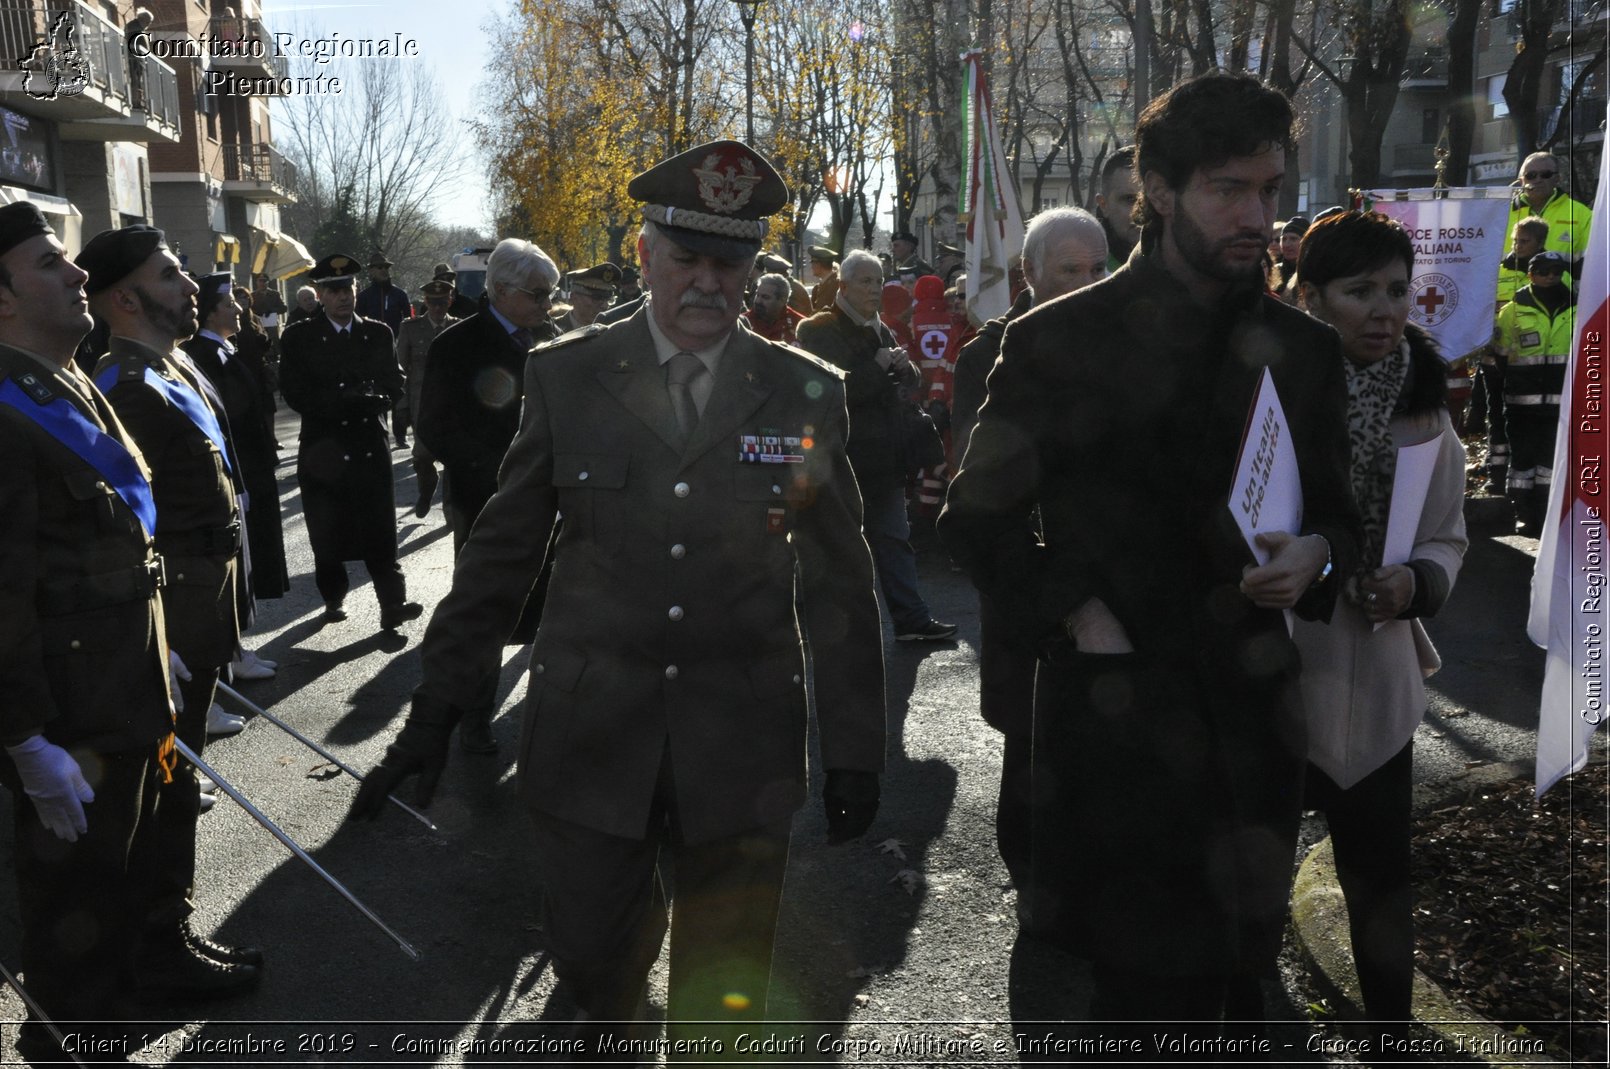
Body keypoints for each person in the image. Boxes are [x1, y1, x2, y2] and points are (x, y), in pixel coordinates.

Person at [348, 140, 887, 1057]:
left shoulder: (804, 391)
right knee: (595, 965)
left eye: (732, 262)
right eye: (688, 259)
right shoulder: (568, 376)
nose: (710, 284)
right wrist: (435, 708)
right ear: (645, 256)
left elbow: (841, 576)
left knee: (726, 1003)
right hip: (595, 734)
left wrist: (857, 748)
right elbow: (500, 558)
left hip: (741, 741)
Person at [940, 71, 1360, 1042]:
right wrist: (1074, 609)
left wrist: (1316, 556)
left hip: (1252, 727)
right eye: (1228, 189)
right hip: (1117, 733)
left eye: (1268, 189)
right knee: (1134, 1006)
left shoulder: (1298, 349)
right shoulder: (1056, 340)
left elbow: (1340, 520)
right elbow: (976, 519)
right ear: (1157, 191)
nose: (1256, 214)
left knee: (1235, 995)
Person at [0, 200, 175, 1066]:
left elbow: (111, 545)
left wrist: (155, 639)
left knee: (112, 910)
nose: (77, 274)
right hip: (68, 723)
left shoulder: (66, 380)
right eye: (47, 263)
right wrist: (23, 735)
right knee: (71, 936)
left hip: (123, 698)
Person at [1290, 209, 1468, 1044]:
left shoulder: (1427, 412)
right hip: (1278, 673)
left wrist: (1413, 580)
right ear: (1311, 296)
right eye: (1358, 291)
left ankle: (1392, 1034)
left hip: (1382, 684)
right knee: (1245, 875)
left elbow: (1447, 534)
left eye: (1396, 289)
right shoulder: (1271, 403)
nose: (1384, 308)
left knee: (1381, 880)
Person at [78, 225, 262, 1000]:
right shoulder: (124, 386)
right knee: (164, 780)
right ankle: (157, 941)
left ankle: (170, 926)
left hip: (203, 599)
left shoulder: (170, 367)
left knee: (180, 773)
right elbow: (118, 524)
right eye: (169, 274)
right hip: (170, 610)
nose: (192, 285)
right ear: (125, 297)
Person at [948, 205, 1109, 915]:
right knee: (1031, 734)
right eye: (1068, 270)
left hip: (1104, 581)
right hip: (1029, 576)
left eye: (1097, 269)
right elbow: (982, 491)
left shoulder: (1125, 340)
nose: (1085, 284)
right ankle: (1035, 886)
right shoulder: (989, 354)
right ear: (1030, 275)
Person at [414, 237, 558, 752]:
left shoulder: (553, 341)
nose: (546, 305)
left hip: (555, 502)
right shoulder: (457, 345)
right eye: (537, 294)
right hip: (487, 500)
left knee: (553, 608)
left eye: (550, 295)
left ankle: (551, 714)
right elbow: (434, 424)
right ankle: (474, 719)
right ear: (499, 290)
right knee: (486, 610)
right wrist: (500, 469)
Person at [798, 249, 957, 642]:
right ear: (844, 284)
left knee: (894, 539)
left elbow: (908, 384)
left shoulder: (879, 327)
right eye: (866, 281)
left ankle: (911, 620)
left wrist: (907, 368)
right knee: (839, 547)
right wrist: (879, 366)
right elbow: (827, 392)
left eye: (878, 280)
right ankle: (842, 627)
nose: (875, 289)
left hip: (885, 458)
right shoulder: (817, 329)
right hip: (842, 459)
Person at [278, 253, 422, 629]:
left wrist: (379, 398)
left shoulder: (377, 332)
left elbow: (395, 381)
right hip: (323, 449)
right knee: (327, 530)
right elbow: (293, 391)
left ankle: (393, 604)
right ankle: (333, 597)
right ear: (321, 295)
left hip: (367, 444)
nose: (344, 296)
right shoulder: (299, 336)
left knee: (380, 531)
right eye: (334, 290)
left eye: (349, 289)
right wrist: (337, 401)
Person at [182, 276, 288, 684]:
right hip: (236, 473)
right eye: (229, 303)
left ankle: (236, 648)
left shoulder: (224, 352)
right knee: (236, 568)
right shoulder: (207, 355)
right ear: (211, 311)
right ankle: (231, 655)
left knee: (245, 566)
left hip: (249, 470)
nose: (239, 309)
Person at [1496, 249, 1576, 536]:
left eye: (1557, 271)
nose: (1552, 276)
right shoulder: (1513, 309)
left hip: (1561, 402)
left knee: (1549, 461)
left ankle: (1546, 514)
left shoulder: (1577, 307)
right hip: (1521, 402)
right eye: (1544, 271)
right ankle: (1524, 512)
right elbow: (1500, 355)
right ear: (1530, 273)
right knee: (1522, 461)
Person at [1481, 217, 1551, 492]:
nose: (1518, 246)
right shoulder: (1497, 271)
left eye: (1525, 241)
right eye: (1515, 240)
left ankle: (1527, 476)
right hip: (1494, 357)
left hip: (1530, 365)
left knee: (1525, 421)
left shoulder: (1552, 274)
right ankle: (1496, 473)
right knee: (1495, 413)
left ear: (1540, 243)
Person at [395, 277, 459, 518]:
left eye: (442, 303)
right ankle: (426, 490)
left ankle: (451, 510)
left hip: (452, 406)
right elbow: (400, 370)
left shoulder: (459, 327)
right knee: (422, 457)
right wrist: (400, 408)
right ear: (426, 302)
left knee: (453, 459)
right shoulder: (410, 328)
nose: (437, 308)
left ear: (450, 301)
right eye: (433, 303)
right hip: (421, 404)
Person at [1503, 151, 1593, 278]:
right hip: (1504, 295)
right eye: (1531, 175)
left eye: (1546, 174)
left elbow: (1593, 265)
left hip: (1559, 295)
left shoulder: (1581, 214)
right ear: (1521, 180)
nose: (1538, 180)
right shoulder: (1501, 213)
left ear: (1557, 178)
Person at [356, 250, 413, 448]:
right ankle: (380, 432)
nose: (384, 271)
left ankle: (400, 434)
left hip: (396, 347)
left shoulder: (399, 294)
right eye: (379, 267)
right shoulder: (363, 297)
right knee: (376, 391)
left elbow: (409, 320)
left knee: (397, 390)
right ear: (371, 271)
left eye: (386, 267)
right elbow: (358, 323)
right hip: (372, 351)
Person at [1095, 145, 1141, 271]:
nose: (1142, 211)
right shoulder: (1087, 272)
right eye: (1130, 199)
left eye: (1151, 199)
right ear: (1104, 205)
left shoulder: (1183, 268)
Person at [555, 262, 620, 332]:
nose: (605, 306)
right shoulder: (553, 330)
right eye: (597, 297)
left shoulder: (614, 329)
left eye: (608, 299)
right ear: (574, 298)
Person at [741, 271, 802, 343]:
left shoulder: (799, 324)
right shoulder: (741, 324)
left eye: (765, 297)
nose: (758, 301)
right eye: (757, 295)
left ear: (782, 300)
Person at [807, 244, 840, 312]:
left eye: (813, 263)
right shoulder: (820, 286)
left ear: (819, 264)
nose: (812, 267)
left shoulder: (836, 284)